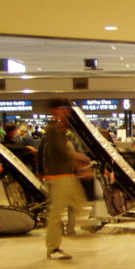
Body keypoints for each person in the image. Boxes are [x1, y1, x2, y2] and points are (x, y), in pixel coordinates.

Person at [43, 99, 91, 259]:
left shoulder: (60, 128)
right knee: (56, 213)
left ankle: (60, 238)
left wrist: (79, 168)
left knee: (79, 204)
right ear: (56, 110)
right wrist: (80, 159)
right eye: (65, 109)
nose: (68, 112)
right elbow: (63, 152)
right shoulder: (54, 129)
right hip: (58, 177)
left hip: (65, 175)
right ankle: (53, 247)